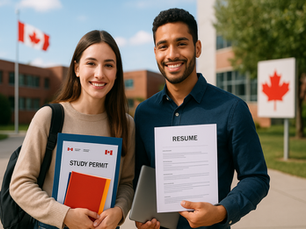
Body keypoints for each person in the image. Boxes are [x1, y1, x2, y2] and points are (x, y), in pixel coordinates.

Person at [133, 8, 270, 229]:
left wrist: (221, 212)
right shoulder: (144, 112)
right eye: (163, 46)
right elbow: (140, 177)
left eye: (181, 43)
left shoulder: (232, 109)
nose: (172, 54)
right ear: (156, 52)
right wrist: (142, 215)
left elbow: (256, 178)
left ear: (197, 48)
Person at [10, 30, 135, 229]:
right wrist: (65, 215)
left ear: (117, 72)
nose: (100, 73)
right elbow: (20, 184)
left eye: (108, 65)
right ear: (76, 68)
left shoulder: (126, 124)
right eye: (91, 63)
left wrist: (120, 210)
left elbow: (127, 183)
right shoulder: (49, 117)